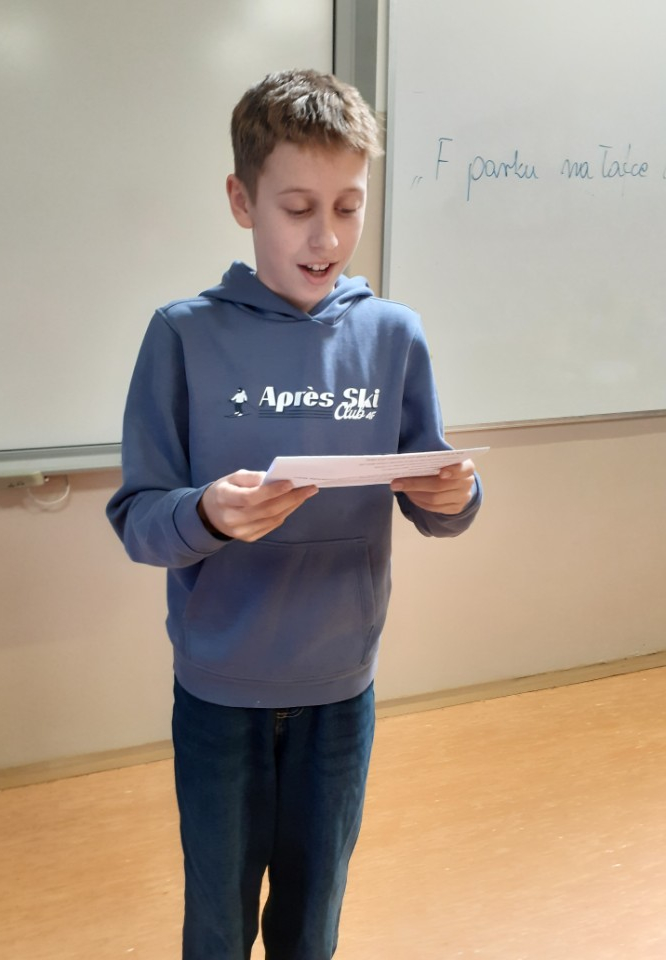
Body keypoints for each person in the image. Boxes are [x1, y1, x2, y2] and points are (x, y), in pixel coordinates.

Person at [106, 68, 482, 960]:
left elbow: (435, 493)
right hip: (221, 693)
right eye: (299, 208)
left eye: (348, 207)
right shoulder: (183, 334)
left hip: (341, 691)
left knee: (313, 921)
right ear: (243, 201)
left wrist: (457, 498)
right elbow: (138, 517)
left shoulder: (394, 335)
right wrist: (208, 514)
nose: (328, 237)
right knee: (219, 920)